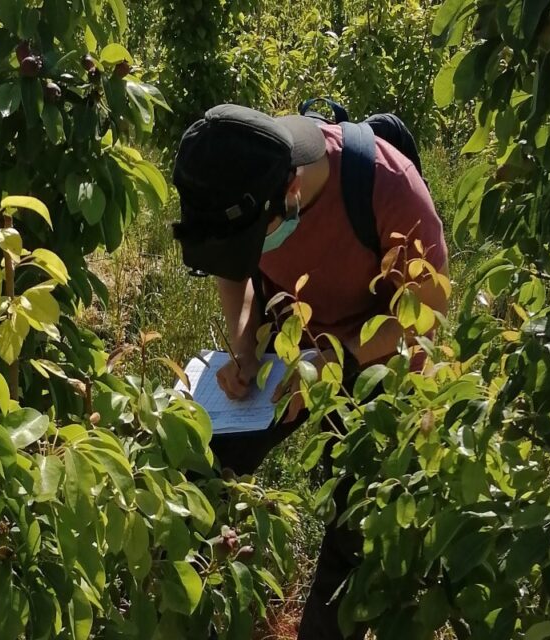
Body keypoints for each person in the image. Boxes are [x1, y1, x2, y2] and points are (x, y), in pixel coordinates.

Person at [170, 104, 449, 640]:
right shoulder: (247, 169)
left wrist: (334, 360)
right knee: (195, 460)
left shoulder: (389, 189)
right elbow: (236, 271)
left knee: (353, 524)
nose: (252, 251)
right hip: (291, 350)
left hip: (376, 364)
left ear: (292, 190)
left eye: (255, 238)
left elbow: (427, 312)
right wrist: (244, 341)